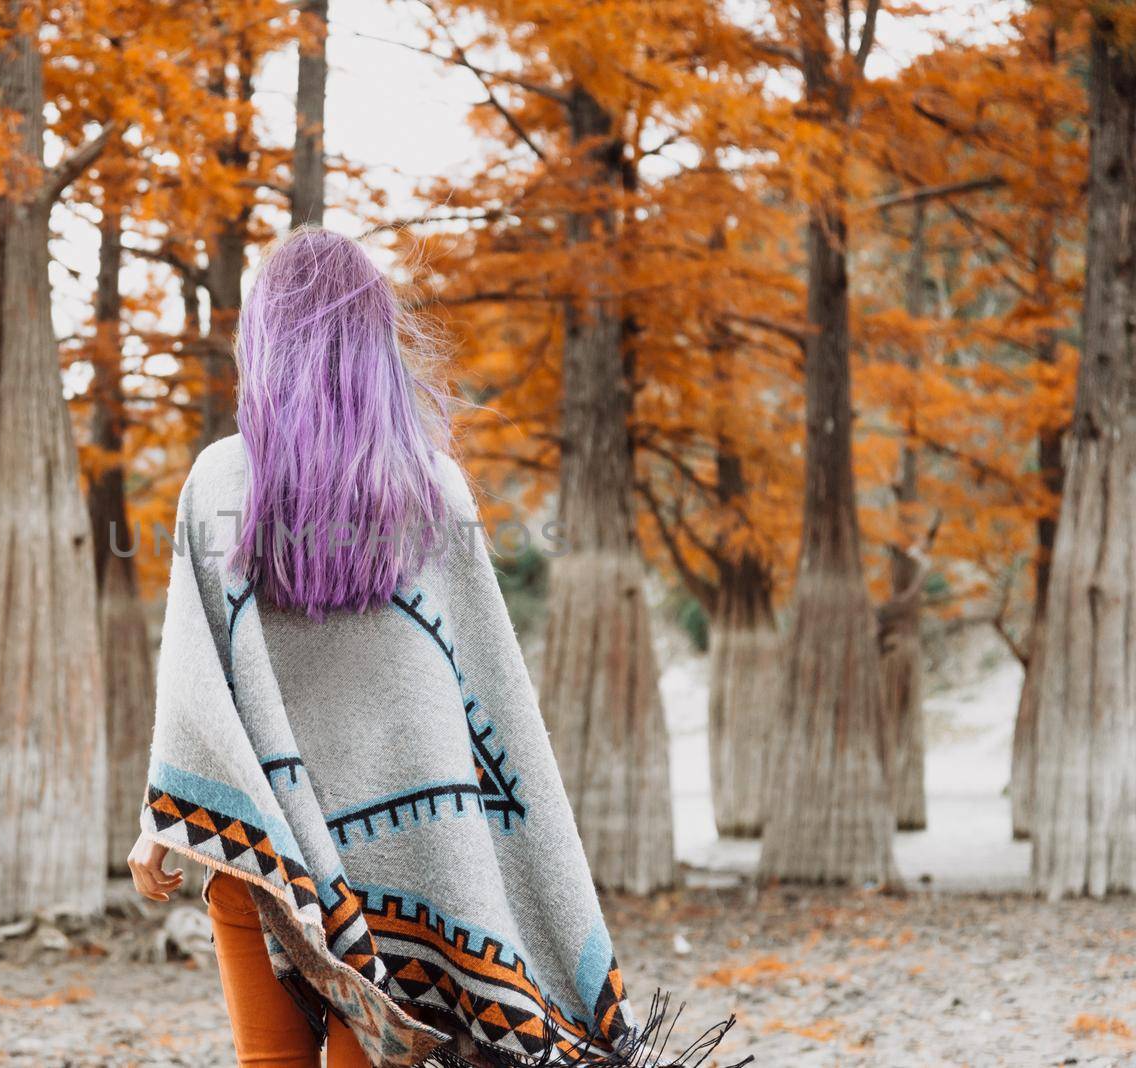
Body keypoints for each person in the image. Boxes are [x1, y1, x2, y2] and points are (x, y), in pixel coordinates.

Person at [127, 229, 737, 1068]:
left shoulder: (222, 483)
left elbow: (199, 680)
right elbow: (484, 692)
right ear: (376, 344)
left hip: (269, 860)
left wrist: (163, 823)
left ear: (264, 343)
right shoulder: (430, 487)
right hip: (409, 862)